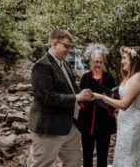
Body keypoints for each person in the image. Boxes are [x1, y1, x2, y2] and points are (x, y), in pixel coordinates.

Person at [27, 28, 93, 167]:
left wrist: (86, 94)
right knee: (41, 164)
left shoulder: (66, 64)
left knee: (75, 163)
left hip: (69, 125)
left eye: (70, 46)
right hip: (49, 127)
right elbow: (49, 98)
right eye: (66, 46)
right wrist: (76, 97)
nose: (68, 50)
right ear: (54, 43)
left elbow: (72, 88)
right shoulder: (41, 66)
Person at [92, 46, 140, 167]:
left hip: (133, 124)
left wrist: (102, 97)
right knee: (124, 153)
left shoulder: (139, 77)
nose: (121, 61)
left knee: (131, 155)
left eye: (124, 58)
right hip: (124, 122)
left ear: (134, 60)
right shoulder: (130, 77)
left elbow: (125, 104)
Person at [77, 43, 117, 167]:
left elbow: (114, 99)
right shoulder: (85, 77)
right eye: (95, 62)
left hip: (104, 122)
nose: (98, 65)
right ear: (90, 60)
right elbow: (79, 100)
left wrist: (106, 100)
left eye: (100, 62)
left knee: (102, 156)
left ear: (103, 61)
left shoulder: (109, 78)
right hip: (87, 122)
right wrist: (86, 99)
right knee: (87, 156)